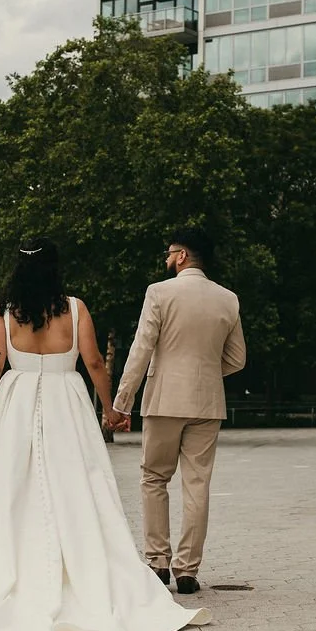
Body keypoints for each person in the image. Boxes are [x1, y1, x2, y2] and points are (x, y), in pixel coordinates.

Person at [0, 240, 209, 631]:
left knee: (15, 492)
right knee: (76, 487)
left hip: (15, 404)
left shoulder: (6, 313)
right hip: (67, 404)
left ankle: (15, 572)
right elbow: (95, 361)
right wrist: (112, 410)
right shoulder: (76, 309)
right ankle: (82, 572)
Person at [113, 228, 246, 596]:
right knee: (197, 484)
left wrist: (121, 402)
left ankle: (158, 563)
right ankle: (187, 571)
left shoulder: (159, 292)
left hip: (164, 399)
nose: (166, 258)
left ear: (183, 255)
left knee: (154, 477)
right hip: (207, 402)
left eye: (169, 252)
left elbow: (141, 349)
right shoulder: (228, 299)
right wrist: (203, 371)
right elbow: (237, 359)